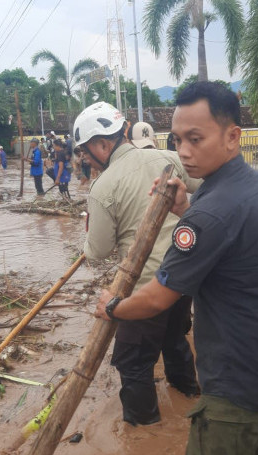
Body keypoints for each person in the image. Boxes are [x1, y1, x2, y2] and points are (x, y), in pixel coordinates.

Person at [92, 83, 258, 455]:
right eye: (177, 140)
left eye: (195, 139)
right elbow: (226, 231)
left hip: (233, 388)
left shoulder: (208, 215)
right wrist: (187, 207)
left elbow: (156, 300)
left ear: (233, 136)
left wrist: (112, 306)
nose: (183, 152)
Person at [74, 100, 202, 428]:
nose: (85, 159)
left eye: (86, 152)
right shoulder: (169, 159)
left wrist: (89, 230)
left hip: (145, 288)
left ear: (103, 144)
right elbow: (207, 187)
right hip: (184, 278)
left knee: (133, 362)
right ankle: (189, 395)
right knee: (175, 340)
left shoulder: (103, 188)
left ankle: (146, 433)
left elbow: (98, 252)